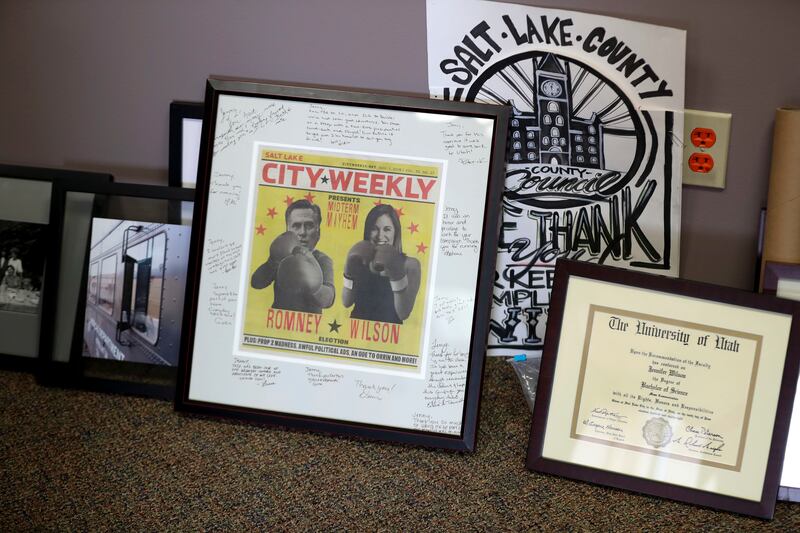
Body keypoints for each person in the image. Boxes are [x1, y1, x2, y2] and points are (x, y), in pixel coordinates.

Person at [251, 199, 334, 313]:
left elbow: (328, 300)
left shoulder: (322, 259)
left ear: (318, 231)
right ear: (287, 230)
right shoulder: (282, 255)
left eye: (309, 225)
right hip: (277, 323)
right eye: (296, 226)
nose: (302, 232)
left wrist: (314, 286)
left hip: (309, 326)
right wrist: (272, 262)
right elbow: (256, 283)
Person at [342, 204, 421, 324]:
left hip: (388, 336)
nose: (380, 235)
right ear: (367, 232)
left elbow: (403, 313)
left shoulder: (410, 265)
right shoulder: (359, 259)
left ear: (396, 232)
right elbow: (346, 302)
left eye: (387, 229)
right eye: (374, 228)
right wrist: (348, 272)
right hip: (357, 331)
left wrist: (397, 274)